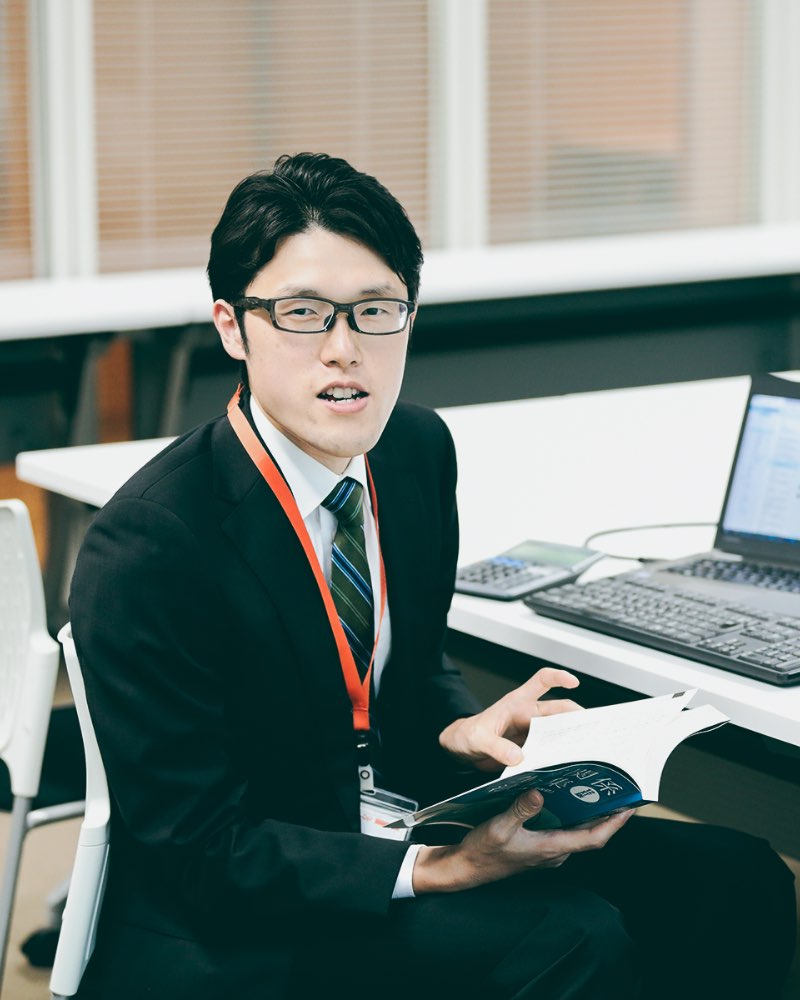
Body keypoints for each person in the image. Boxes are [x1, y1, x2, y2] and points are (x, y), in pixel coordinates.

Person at [69, 152, 796, 1000]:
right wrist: (445, 868)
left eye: (376, 310)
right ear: (233, 328)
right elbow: (196, 849)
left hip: (392, 812)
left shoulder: (412, 451)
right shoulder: (153, 542)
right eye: (302, 313)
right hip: (237, 906)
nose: (345, 351)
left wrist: (462, 727)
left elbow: (408, 674)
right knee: (572, 938)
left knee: (736, 877)